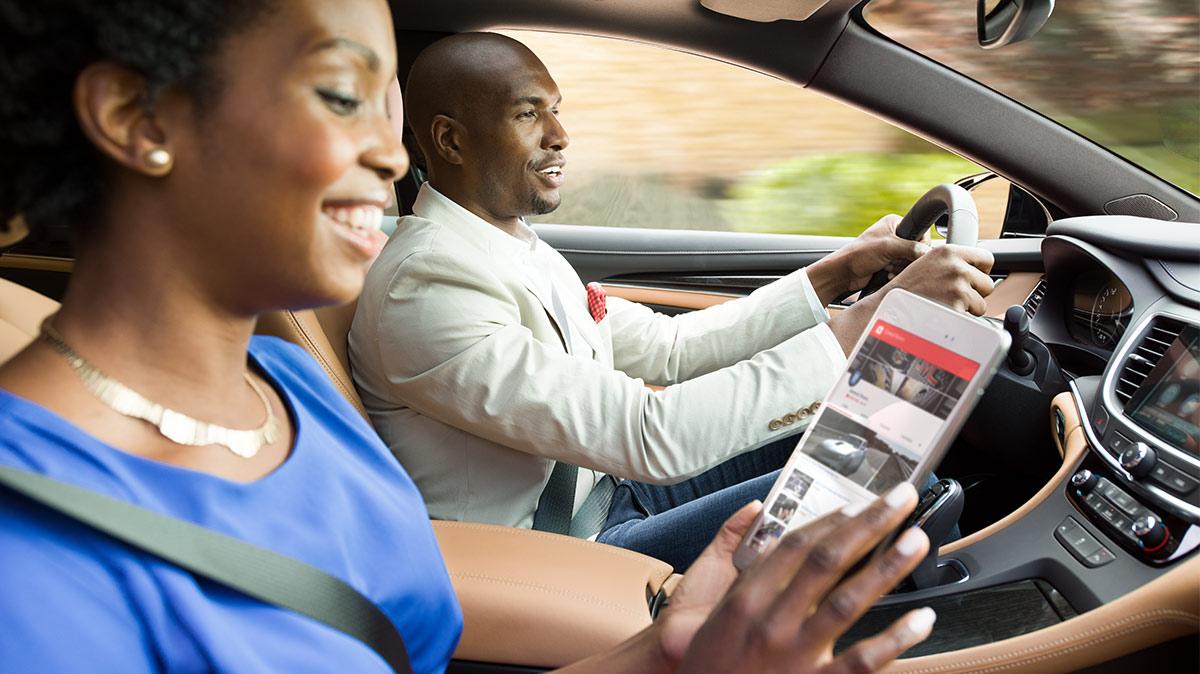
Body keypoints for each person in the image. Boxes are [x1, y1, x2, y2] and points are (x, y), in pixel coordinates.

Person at [0, 0, 940, 671]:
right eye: (339, 95)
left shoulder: (290, 409)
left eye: (390, 112)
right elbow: (653, 434)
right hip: (562, 531)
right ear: (137, 117)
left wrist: (671, 659)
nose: (389, 152)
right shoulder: (31, 564)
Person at [349, 32, 995, 568]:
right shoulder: (426, 287)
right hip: (561, 555)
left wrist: (833, 275)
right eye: (528, 114)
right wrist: (864, 326)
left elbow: (671, 347)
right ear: (451, 141)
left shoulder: (510, 244)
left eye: (556, 108)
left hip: (612, 496)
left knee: (883, 440)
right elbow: (650, 436)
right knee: (888, 491)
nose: (560, 134)